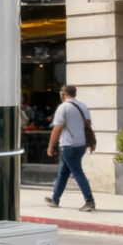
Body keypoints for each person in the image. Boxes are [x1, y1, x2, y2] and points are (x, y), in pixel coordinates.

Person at [45, 84, 96, 212]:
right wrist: (90, 142)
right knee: (63, 172)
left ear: (63, 94)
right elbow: (88, 126)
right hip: (81, 145)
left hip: (69, 145)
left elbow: (57, 129)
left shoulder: (63, 107)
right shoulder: (83, 106)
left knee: (77, 172)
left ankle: (89, 201)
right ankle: (55, 199)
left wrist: (50, 146)